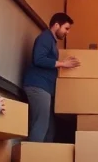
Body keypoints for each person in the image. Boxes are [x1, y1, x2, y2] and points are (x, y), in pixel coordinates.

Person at [22, 12, 79, 142]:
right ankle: (32, 157)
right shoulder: (45, 38)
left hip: (45, 88)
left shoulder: (51, 42)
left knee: (49, 127)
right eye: (66, 28)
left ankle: (45, 156)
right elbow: (39, 59)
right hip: (38, 86)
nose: (67, 32)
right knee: (40, 125)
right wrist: (63, 64)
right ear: (56, 25)